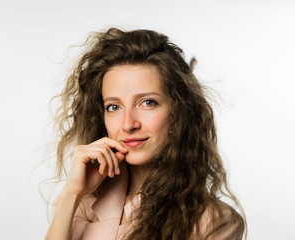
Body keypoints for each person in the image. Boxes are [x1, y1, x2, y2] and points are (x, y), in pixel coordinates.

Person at [45, 28, 246, 240]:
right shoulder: (77, 206)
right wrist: (71, 193)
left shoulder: (214, 221)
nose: (128, 124)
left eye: (147, 102)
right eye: (114, 107)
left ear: (179, 112)